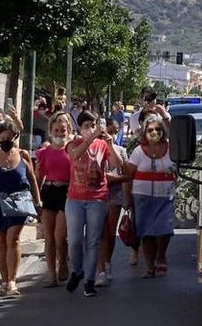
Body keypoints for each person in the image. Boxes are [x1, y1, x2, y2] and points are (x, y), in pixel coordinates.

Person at [0, 122, 39, 296]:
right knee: (1, 242)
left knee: (13, 239)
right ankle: (4, 281)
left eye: (9, 138)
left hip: (18, 202)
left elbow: (32, 180)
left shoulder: (23, 155)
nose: (5, 141)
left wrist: (37, 202)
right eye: (2, 138)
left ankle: (12, 280)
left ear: (15, 137)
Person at [65, 111, 121, 297]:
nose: (91, 128)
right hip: (75, 198)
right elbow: (74, 156)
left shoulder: (102, 144)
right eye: (87, 125)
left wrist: (110, 145)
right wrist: (89, 139)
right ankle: (78, 270)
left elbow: (116, 163)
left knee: (93, 240)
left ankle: (89, 280)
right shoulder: (73, 143)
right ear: (80, 128)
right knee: (74, 240)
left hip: (97, 198)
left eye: (93, 124)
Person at [124, 116, 178, 277]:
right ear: (144, 133)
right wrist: (127, 199)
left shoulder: (171, 149)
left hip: (165, 196)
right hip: (142, 197)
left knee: (164, 229)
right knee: (146, 232)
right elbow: (128, 175)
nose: (154, 132)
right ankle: (149, 267)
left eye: (158, 129)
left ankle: (161, 256)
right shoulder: (138, 152)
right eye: (150, 130)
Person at [35, 112, 73, 286]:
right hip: (49, 191)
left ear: (68, 131)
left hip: (67, 192)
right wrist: (35, 199)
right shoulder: (43, 152)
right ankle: (51, 274)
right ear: (50, 131)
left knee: (60, 236)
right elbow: (38, 176)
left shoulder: (72, 150)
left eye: (63, 130)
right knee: (48, 237)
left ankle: (63, 263)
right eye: (56, 130)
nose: (59, 134)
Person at [97, 118, 131, 287]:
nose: (107, 135)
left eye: (110, 133)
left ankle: (107, 263)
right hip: (95, 194)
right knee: (98, 232)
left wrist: (114, 179)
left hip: (114, 193)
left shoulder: (120, 150)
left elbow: (127, 174)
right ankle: (100, 268)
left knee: (110, 232)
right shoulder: (91, 149)